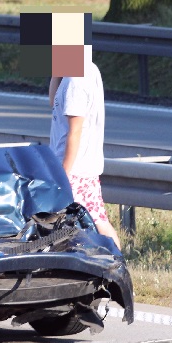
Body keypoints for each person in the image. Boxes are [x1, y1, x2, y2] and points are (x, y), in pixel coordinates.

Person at [49, 54, 122, 250]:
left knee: (96, 222)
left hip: (75, 168)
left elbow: (75, 131)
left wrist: (64, 173)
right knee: (96, 219)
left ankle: (115, 263)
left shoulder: (76, 81)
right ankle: (113, 263)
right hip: (79, 166)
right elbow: (53, 102)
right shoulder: (83, 70)